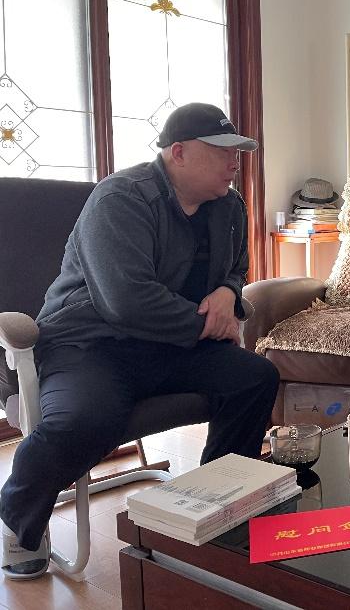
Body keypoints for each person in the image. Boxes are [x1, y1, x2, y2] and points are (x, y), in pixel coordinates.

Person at [0, 103, 280, 579]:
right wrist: (209, 324)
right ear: (179, 153)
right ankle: (18, 518)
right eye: (221, 151)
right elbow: (125, 300)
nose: (234, 162)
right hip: (91, 343)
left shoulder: (229, 206)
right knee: (80, 421)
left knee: (254, 378)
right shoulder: (121, 199)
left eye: (237, 151)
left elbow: (236, 267)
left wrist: (227, 292)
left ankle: (217, 501)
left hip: (171, 344)